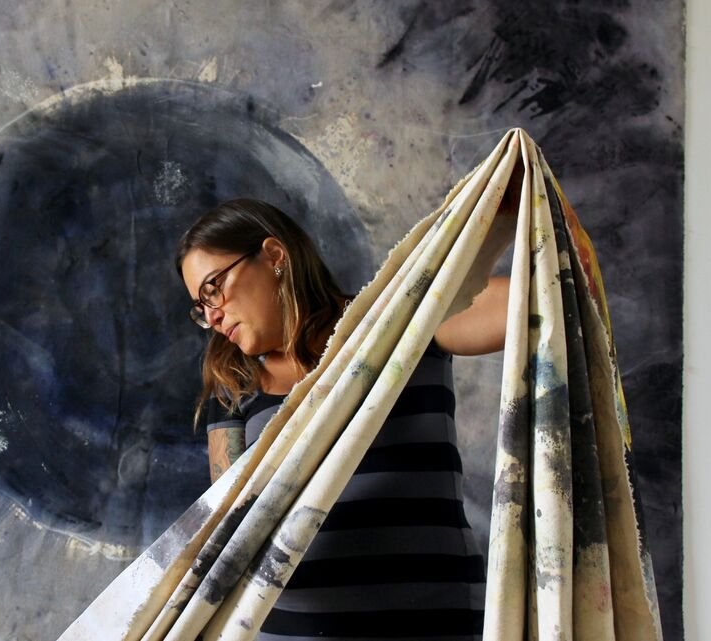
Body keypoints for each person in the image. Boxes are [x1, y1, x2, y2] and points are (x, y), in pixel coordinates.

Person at [174, 198, 508, 640]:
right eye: (201, 306)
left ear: (274, 256)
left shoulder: (398, 320)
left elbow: (541, 297)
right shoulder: (234, 387)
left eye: (214, 288)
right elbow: (231, 536)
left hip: (430, 625)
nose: (212, 315)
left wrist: (511, 194)